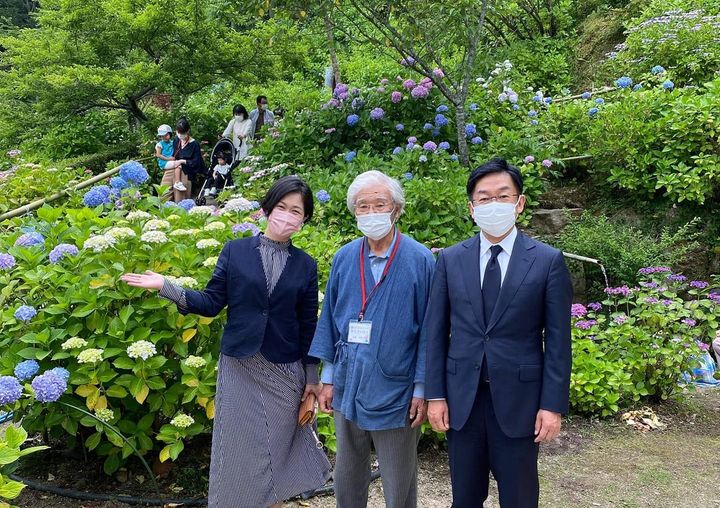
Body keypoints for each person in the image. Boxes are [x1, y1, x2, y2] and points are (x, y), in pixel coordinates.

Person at [120, 176, 331, 508]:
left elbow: (309, 324)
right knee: (238, 450)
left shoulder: (306, 265)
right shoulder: (235, 251)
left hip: (284, 370)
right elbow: (210, 302)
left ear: (304, 220)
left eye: (296, 211)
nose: (287, 216)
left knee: (277, 452)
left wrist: (312, 378)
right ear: (266, 209)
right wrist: (166, 285)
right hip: (240, 366)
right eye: (281, 207)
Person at [423, 157, 573, 508]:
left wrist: (552, 405)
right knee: (465, 497)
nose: (494, 205)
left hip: (521, 401)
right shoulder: (450, 259)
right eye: (484, 198)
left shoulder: (547, 261)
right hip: (463, 400)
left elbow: (558, 342)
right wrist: (435, 395)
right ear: (471, 208)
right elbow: (436, 331)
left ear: (519, 203)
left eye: (503, 196)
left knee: (520, 498)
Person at [309, 170, 435, 508]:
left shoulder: (420, 260)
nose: (371, 212)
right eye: (363, 206)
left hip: (397, 387)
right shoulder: (345, 258)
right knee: (348, 473)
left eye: (380, 204)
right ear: (354, 212)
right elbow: (330, 321)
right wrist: (328, 378)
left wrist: (422, 389)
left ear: (396, 209)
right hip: (348, 382)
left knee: (399, 480)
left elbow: (431, 331)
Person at [160, 117, 205, 202]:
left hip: (185, 171)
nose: (180, 135)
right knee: (163, 193)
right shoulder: (177, 140)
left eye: (182, 133)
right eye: (178, 132)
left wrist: (182, 161)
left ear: (188, 131)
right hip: (173, 167)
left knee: (180, 198)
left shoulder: (194, 144)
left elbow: (197, 163)